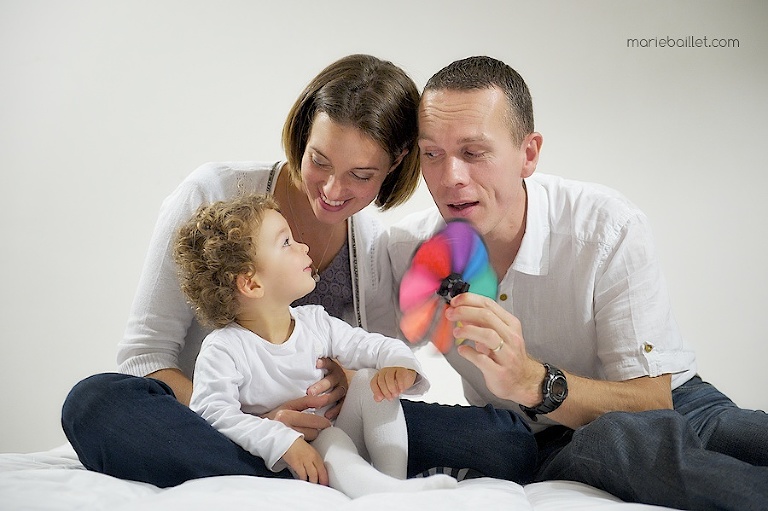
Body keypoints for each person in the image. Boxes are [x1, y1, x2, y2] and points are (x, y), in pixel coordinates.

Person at [61, 54, 536, 489]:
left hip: (329, 427)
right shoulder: (213, 194)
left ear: (394, 166)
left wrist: (360, 380)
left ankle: (309, 471)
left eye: (361, 175)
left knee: (507, 441)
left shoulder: (372, 244)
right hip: (209, 420)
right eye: (319, 161)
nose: (332, 189)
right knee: (95, 402)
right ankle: (271, 471)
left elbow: (369, 364)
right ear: (303, 134)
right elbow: (146, 357)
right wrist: (261, 426)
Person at [387, 55, 768, 511]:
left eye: (474, 153)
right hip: (556, 439)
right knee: (613, 441)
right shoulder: (408, 251)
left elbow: (651, 401)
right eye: (432, 154)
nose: (450, 178)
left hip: (672, 400)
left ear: (528, 154)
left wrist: (532, 379)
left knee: (744, 434)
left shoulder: (605, 226)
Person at [175, 194, 456, 498]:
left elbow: (370, 346)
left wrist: (400, 365)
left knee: (367, 380)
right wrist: (283, 441)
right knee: (330, 439)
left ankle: (395, 483)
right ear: (252, 284)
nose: (303, 247)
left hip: (339, 439)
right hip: (295, 461)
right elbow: (212, 413)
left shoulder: (315, 322)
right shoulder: (224, 348)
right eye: (286, 243)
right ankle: (388, 495)